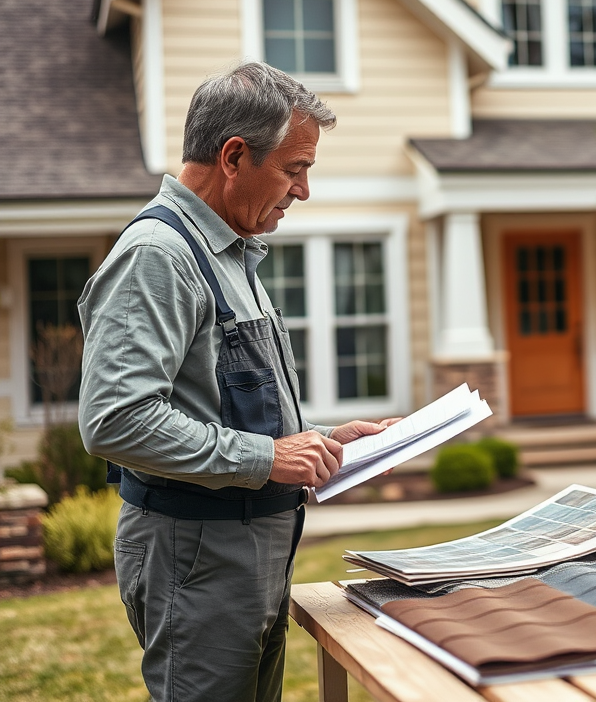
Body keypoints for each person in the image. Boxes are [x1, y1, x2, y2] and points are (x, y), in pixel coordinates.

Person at [78, 61, 393, 702]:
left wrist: (327, 440)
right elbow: (115, 417)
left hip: (243, 557)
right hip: (197, 559)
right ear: (233, 156)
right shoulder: (158, 257)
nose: (302, 191)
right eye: (294, 168)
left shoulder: (230, 253)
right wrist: (270, 456)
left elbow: (223, 406)